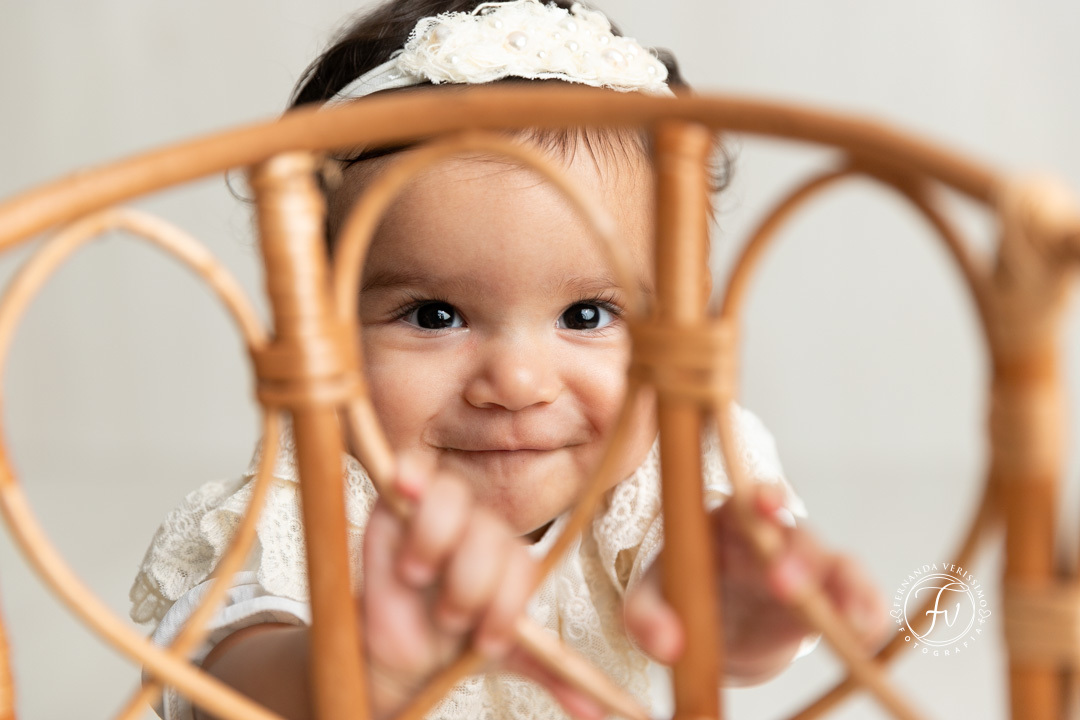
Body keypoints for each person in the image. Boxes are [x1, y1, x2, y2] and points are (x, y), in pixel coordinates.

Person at [130, 1, 888, 719]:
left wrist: (739, 608)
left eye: (587, 315)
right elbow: (216, 676)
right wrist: (355, 668)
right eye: (434, 315)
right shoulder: (307, 502)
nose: (517, 384)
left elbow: (706, 611)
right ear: (317, 328)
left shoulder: (666, 472)